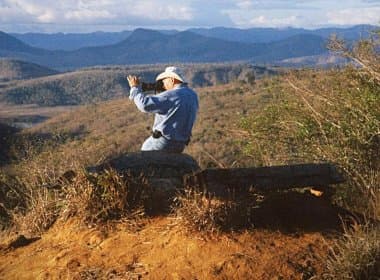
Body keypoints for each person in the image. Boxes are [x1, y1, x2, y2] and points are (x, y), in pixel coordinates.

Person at [127, 66, 199, 153]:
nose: (163, 84)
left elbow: (144, 105)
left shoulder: (172, 94)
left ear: (172, 80)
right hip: (181, 145)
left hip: (163, 142)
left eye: (164, 80)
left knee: (143, 157)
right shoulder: (193, 95)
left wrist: (135, 88)